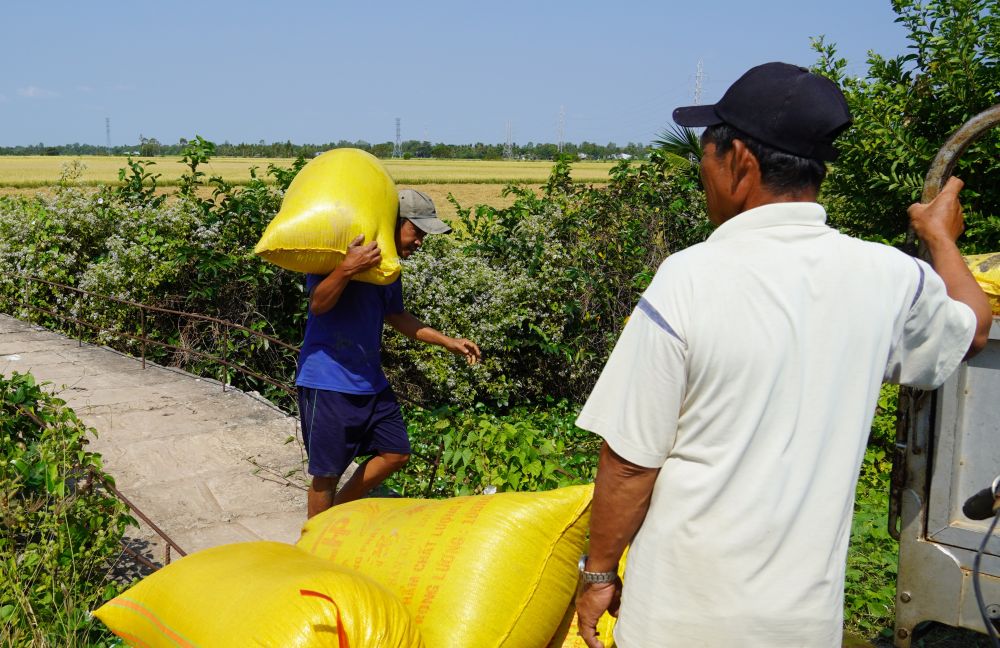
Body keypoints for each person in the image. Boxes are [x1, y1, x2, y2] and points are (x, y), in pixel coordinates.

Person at [574, 62, 992, 648]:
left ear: (739, 160)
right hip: (802, 623)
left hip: (679, 615)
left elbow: (630, 463)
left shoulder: (689, 278)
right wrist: (941, 238)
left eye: (707, 153)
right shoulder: (888, 276)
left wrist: (597, 574)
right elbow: (972, 328)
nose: (703, 171)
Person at [297, 188, 481, 518]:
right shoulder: (339, 254)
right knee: (326, 475)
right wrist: (346, 269)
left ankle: (333, 516)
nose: (420, 241)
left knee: (396, 453)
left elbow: (396, 315)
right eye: (417, 231)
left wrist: (448, 341)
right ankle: (313, 548)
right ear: (394, 222)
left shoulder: (388, 267)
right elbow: (318, 305)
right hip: (328, 380)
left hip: (370, 380)